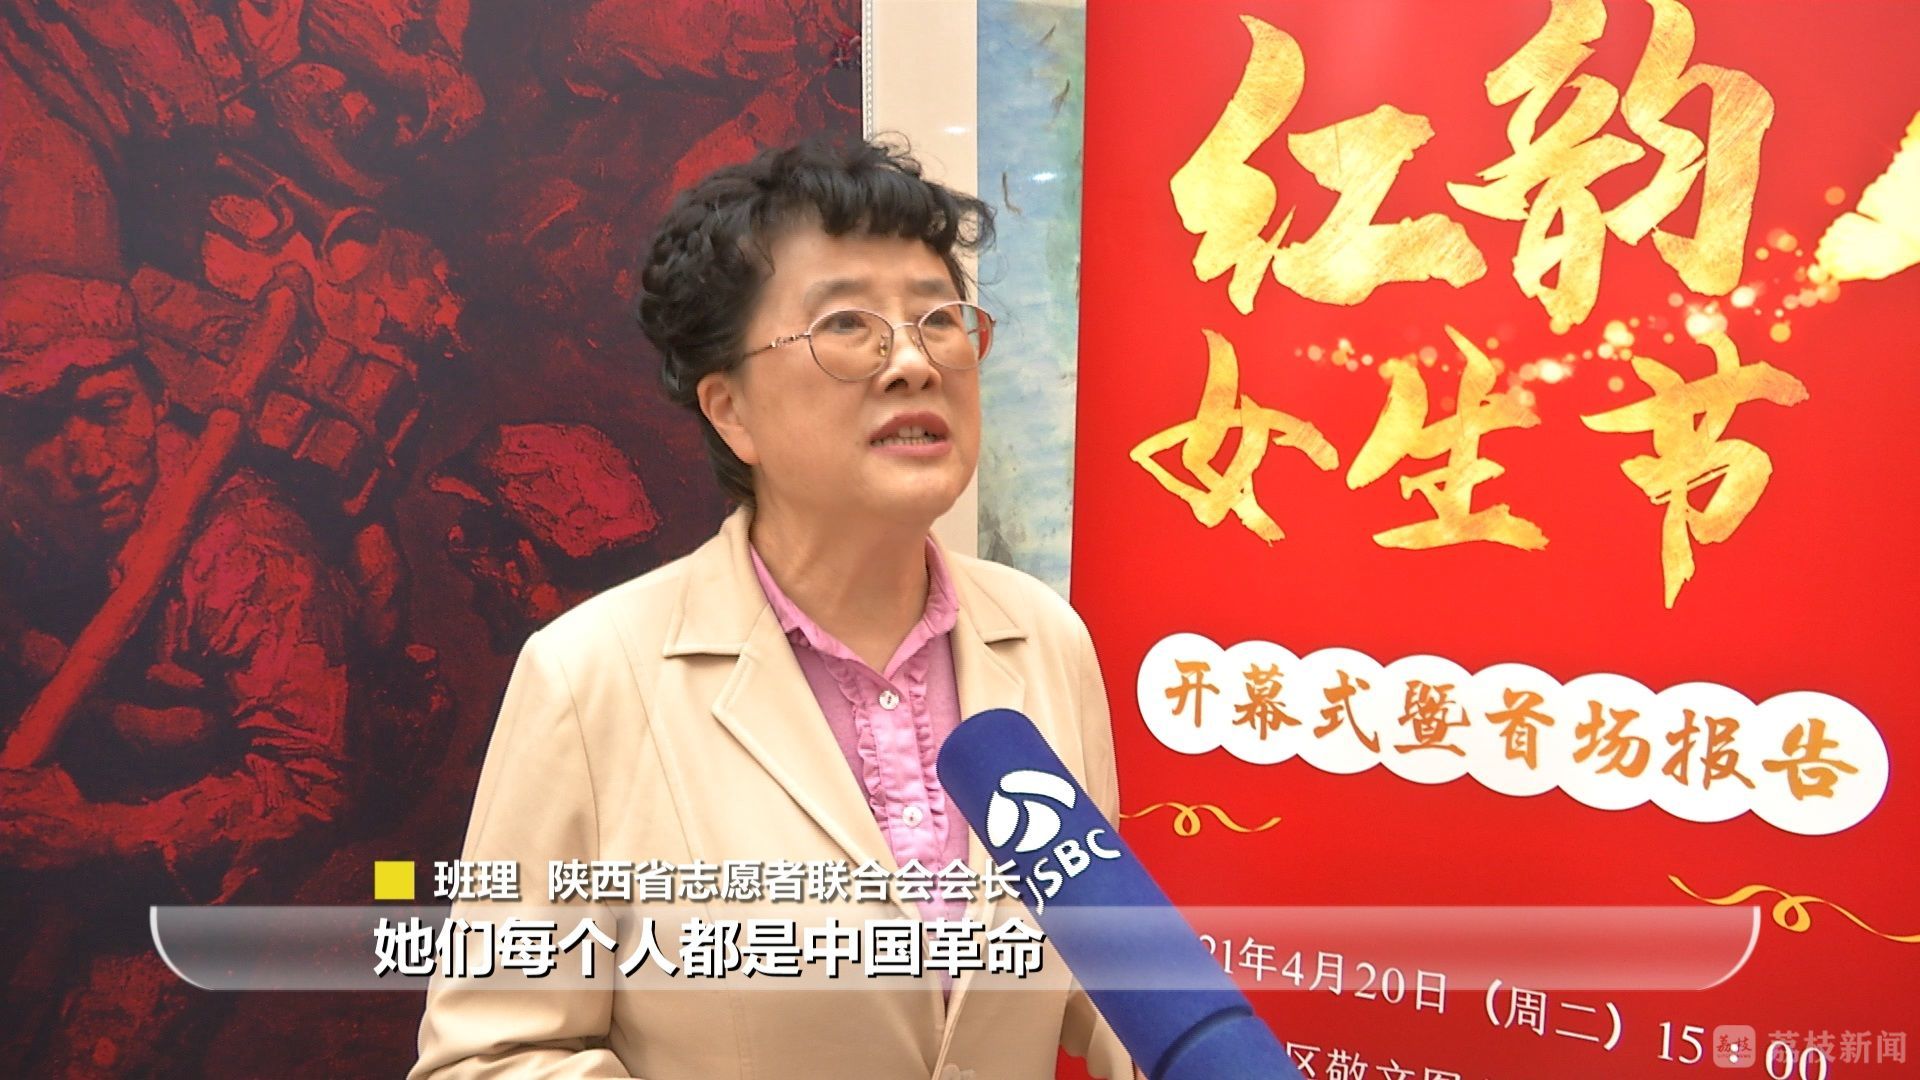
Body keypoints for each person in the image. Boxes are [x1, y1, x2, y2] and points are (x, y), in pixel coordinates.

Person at [410, 137, 1138, 1079]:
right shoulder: (590, 677)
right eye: (847, 324)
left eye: (939, 318)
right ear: (731, 410)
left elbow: (1101, 971)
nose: (914, 363)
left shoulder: (1044, 637)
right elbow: (489, 1056)